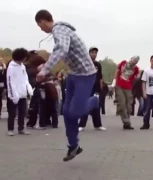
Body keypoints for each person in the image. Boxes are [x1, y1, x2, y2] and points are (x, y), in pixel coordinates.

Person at [35, 9, 98, 161]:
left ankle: (95, 101)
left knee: (76, 112)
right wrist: (48, 67)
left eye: (39, 25)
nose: (40, 29)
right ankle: (73, 146)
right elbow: (66, 54)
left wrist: (44, 70)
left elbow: (62, 49)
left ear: (43, 21)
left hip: (85, 75)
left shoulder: (59, 29)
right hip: (73, 75)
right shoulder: (60, 32)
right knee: (66, 113)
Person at [6, 48, 33, 136]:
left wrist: (28, 88)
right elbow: (10, 82)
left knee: (22, 112)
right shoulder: (11, 67)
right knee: (12, 113)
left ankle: (21, 128)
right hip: (13, 94)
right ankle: (10, 129)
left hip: (22, 94)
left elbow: (25, 79)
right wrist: (13, 94)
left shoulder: (22, 66)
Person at [111, 56, 139, 130]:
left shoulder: (136, 69)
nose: (134, 62)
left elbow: (135, 78)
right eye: (133, 60)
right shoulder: (123, 63)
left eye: (136, 61)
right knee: (122, 103)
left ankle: (126, 122)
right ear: (131, 59)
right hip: (119, 86)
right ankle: (126, 122)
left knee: (129, 106)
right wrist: (113, 83)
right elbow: (117, 71)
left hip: (128, 88)